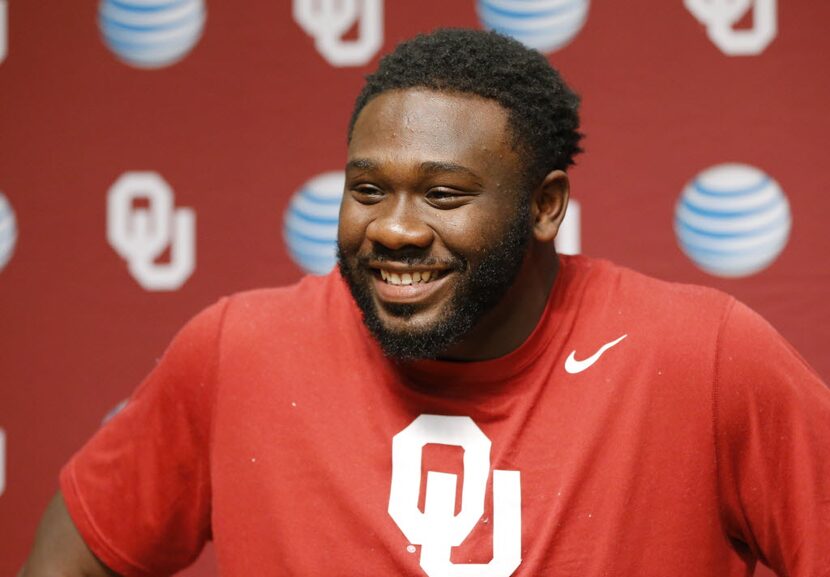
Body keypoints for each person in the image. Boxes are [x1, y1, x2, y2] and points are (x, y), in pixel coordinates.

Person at [21, 29, 829, 577]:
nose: (396, 229)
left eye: (444, 194)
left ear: (546, 206)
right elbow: (80, 545)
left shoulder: (702, 356)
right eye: (368, 189)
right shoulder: (239, 349)